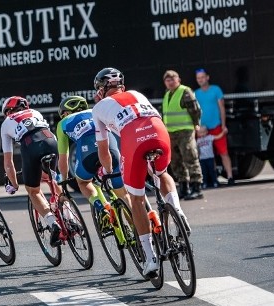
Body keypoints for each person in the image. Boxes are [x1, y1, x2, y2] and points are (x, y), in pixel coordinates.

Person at [91, 67, 190, 278]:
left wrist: (108, 172)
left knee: (136, 199)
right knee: (161, 173)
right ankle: (178, 211)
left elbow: (104, 149)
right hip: (158, 130)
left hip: (133, 139)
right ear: (122, 86)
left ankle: (150, 258)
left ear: (101, 89)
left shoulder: (99, 108)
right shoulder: (137, 94)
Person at [55, 95, 128, 224]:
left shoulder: (62, 123)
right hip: (110, 149)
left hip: (87, 154)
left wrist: (64, 181)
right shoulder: (95, 111)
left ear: (65, 112)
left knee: (83, 182)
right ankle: (140, 235)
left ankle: (101, 207)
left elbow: (63, 158)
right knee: (124, 197)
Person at [0, 96, 61, 246]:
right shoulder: (35, 112)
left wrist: (14, 184)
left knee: (33, 191)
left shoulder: (6, 122)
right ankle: (70, 217)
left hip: (30, 145)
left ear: (8, 110)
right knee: (52, 179)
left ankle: (53, 223)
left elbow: (9, 162)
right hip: (50, 140)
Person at [162, 69, 203, 200]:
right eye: (167, 80)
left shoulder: (185, 91)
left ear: (178, 80)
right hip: (171, 132)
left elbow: (195, 109)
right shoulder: (167, 94)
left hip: (185, 130)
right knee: (175, 161)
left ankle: (197, 187)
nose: (170, 82)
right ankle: (184, 187)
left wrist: (196, 124)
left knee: (190, 157)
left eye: (172, 79)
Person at [195, 68, 234, 185]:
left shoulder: (216, 90)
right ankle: (212, 179)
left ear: (207, 77)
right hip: (202, 129)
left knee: (223, 152)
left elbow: (222, 107)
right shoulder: (195, 93)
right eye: (198, 78)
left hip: (216, 126)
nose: (201, 80)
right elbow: (194, 112)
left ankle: (230, 177)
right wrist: (196, 128)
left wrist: (223, 125)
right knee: (206, 155)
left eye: (202, 77)